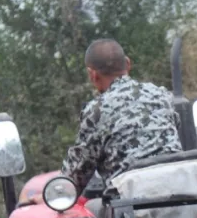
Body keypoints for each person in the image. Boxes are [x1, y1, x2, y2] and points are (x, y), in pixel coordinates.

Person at [63, 39, 182, 192]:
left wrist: (58, 191)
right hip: (178, 191)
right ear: (127, 63)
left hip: (131, 205)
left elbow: (77, 174)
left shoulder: (96, 110)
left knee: (93, 207)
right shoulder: (161, 95)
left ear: (92, 74)